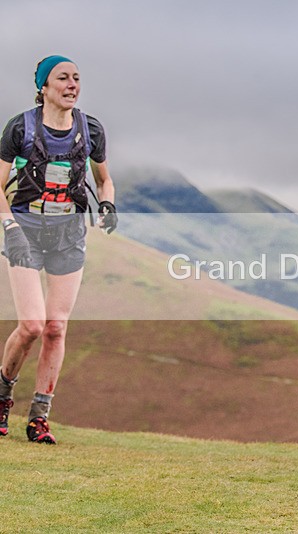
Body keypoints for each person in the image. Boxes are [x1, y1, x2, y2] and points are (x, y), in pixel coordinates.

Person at [0, 56, 118, 444]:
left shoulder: (91, 129)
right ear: (44, 87)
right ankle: (2, 396)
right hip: (25, 231)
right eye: (62, 78)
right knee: (32, 325)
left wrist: (108, 204)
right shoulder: (20, 127)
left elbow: (104, 179)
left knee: (55, 328)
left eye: (77, 78)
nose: (72, 85)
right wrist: (10, 227)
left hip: (68, 234)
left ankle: (39, 418)